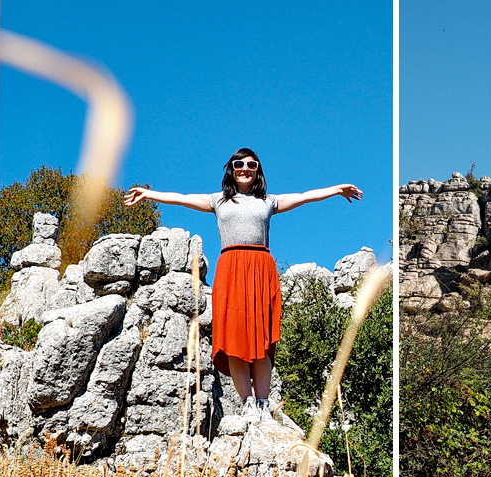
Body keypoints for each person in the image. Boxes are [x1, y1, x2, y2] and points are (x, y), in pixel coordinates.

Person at [124, 148, 362, 421]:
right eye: (239, 164)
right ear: (232, 169)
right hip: (231, 269)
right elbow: (182, 199)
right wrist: (148, 193)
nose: (245, 168)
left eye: (251, 164)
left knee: (261, 339)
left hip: (260, 269)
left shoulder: (268, 201)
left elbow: (304, 197)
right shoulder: (219, 201)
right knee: (233, 338)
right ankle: (247, 403)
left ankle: (262, 404)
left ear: (258, 170)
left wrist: (335, 189)